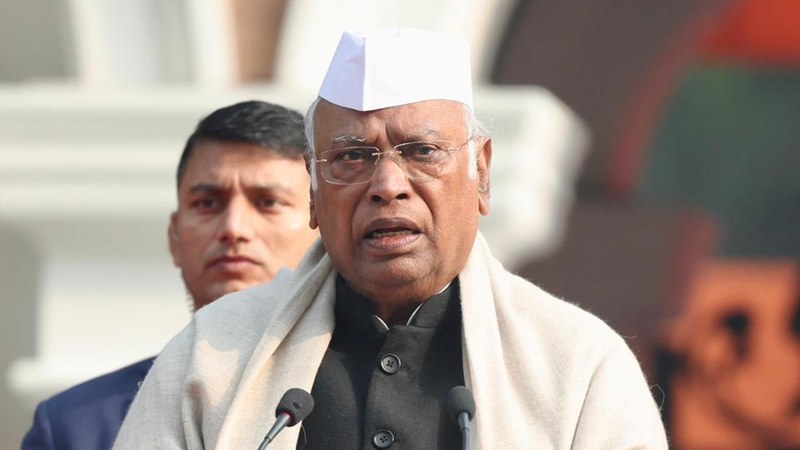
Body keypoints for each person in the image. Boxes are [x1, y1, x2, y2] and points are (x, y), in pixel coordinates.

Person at [113, 29, 669, 450]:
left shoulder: (579, 368)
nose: (387, 186)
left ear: (481, 173)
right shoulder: (209, 357)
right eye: (353, 157)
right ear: (313, 192)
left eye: (422, 152)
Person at [21, 100, 319, 450]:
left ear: (321, 228)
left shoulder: (360, 395)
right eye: (207, 203)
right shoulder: (74, 427)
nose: (233, 228)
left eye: (268, 202)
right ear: (174, 238)